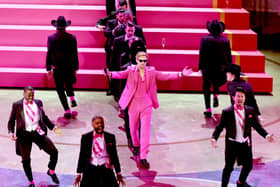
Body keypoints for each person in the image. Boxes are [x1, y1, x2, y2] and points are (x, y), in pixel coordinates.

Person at [105, 51, 193, 168]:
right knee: (133, 129)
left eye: (145, 61)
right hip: (133, 103)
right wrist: (110, 74)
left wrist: (180, 74)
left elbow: (164, 76)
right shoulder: (131, 70)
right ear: (136, 60)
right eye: (141, 60)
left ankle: (143, 156)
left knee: (145, 131)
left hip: (146, 103)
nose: (143, 63)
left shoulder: (151, 71)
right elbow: (121, 74)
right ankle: (136, 145)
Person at [211, 87, 274, 187]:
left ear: (245, 98)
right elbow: (220, 127)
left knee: (248, 165)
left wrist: (266, 135)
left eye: (242, 96)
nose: (240, 98)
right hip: (232, 144)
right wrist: (214, 138)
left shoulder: (250, 111)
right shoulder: (227, 112)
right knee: (228, 168)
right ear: (233, 97)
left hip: (245, 143)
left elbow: (257, 126)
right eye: (238, 96)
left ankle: (240, 182)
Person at [7, 86, 62, 187]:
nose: (31, 97)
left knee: (54, 152)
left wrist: (53, 128)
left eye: (32, 95)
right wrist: (11, 132)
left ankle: (51, 170)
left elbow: (44, 118)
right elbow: (11, 121)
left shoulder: (38, 103)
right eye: (28, 95)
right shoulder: (17, 105)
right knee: (26, 160)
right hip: (24, 134)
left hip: (37, 132)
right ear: (23, 94)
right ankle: (31, 182)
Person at [73, 116, 125, 187]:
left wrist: (118, 173)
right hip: (90, 169)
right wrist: (79, 173)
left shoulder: (110, 137)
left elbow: (114, 155)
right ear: (92, 124)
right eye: (97, 123)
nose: (100, 125)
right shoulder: (86, 137)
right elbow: (82, 155)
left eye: (102, 123)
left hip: (106, 168)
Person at [46, 16, 79, 119]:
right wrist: (76, 67)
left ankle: (67, 110)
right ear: (65, 27)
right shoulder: (72, 38)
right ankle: (72, 98)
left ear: (56, 27)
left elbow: (49, 53)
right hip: (69, 66)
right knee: (68, 83)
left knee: (60, 89)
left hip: (58, 68)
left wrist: (48, 68)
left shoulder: (51, 38)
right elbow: (75, 53)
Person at [199, 19, 232, 117]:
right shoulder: (225, 40)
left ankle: (208, 109)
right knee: (216, 81)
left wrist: (200, 67)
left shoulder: (204, 39)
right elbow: (228, 56)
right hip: (221, 68)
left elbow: (202, 54)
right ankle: (216, 94)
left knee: (206, 87)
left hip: (208, 68)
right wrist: (229, 69)